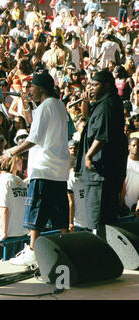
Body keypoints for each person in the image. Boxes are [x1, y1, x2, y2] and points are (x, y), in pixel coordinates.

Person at [0, 70, 71, 266]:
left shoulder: (44, 108)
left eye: (32, 87)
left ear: (40, 88)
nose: (29, 90)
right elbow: (37, 124)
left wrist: (11, 152)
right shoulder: (58, 105)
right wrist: (29, 105)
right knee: (60, 215)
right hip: (59, 171)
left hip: (43, 169)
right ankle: (70, 249)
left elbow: (34, 137)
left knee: (36, 215)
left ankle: (32, 250)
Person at [76, 69, 129, 239]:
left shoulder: (106, 106)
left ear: (106, 85)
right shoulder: (106, 103)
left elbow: (102, 136)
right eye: (90, 84)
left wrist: (88, 155)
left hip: (100, 173)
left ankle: (102, 257)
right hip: (104, 174)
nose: (91, 88)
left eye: (95, 85)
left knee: (99, 221)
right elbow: (86, 118)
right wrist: (85, 101)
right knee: (104, 220)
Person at [121, 137, 139, 217]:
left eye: (138, 145)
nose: (136, 147)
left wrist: (138, 208)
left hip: (136, 208)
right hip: (122, 207)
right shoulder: (123, 162)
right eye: (134, 145)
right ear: (129, 147)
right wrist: (121, 203)